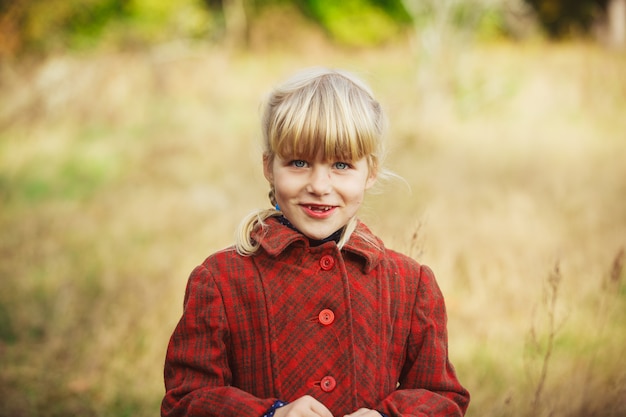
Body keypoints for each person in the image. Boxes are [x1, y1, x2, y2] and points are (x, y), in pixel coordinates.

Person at [161, 67, 470, 417]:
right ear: (269, 167)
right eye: (299, 162)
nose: (319, 185)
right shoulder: (220, 280)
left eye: (341, 164)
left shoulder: (409, 284)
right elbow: (185, 401)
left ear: (370, 172)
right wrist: (270, 415)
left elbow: (442, 397)